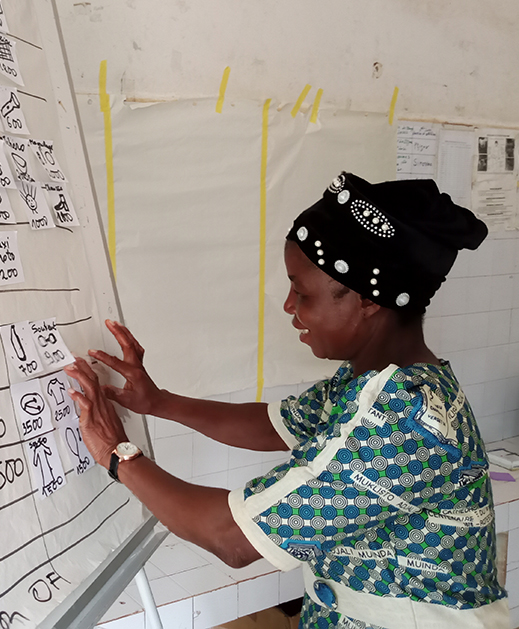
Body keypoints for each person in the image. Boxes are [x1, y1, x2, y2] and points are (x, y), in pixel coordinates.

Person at [64, 172, 509, 629]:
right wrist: (158, 402)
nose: (288, 306)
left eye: (302, 292)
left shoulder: (401, 418)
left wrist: (119, 455)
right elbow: (273, 425)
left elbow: (232, 539)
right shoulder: (377, 381)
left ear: (367, 300)